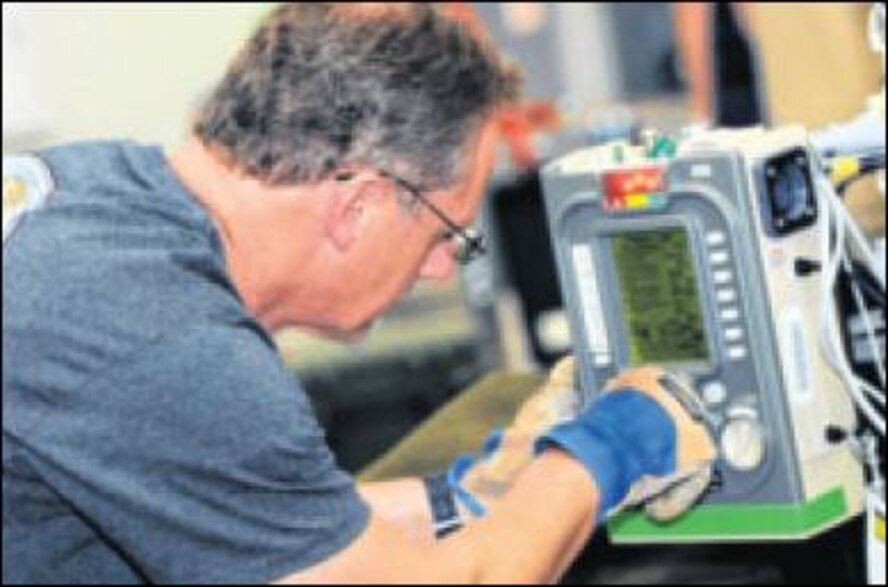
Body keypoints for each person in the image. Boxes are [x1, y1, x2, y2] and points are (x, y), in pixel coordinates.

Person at [2, 4, 714, 584]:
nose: (440, 269)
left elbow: (270, 517)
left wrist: (471, 495)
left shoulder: (94, 192)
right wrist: (605, 449)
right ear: (361, 205)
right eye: (447, 232)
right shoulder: (169, 342)